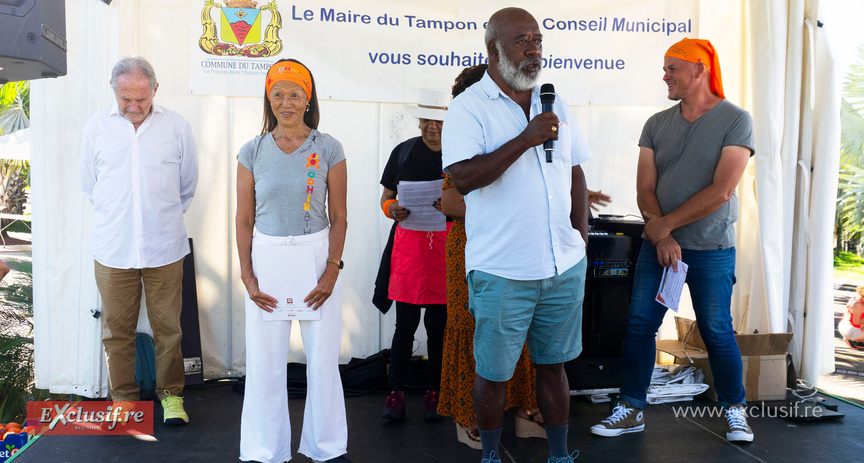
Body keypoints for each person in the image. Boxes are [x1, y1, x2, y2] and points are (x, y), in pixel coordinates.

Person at [442, 8, 592, 463]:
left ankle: (560, 455)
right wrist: (526, 139)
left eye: (538, 39)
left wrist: (579, 236)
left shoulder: (555, 102)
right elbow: (464, 177)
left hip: (562, 264)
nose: (534, 49)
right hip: (502, 268)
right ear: (493, 50)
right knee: (494, 374)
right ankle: (490, 455)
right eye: (522, 40)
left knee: (553, 368)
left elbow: (576, 169)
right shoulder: (468, 108)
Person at [590, 38, 755, 443]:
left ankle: (735, 410)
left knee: (716, 329)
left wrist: (664, 227)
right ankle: (631, 407)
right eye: (665, 69)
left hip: (712, 248)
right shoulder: (656, 123)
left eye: (672, 68)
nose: (665, 75)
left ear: (699, 70)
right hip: (658, 247)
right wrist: (660, 233)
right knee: (640, 325)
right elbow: (645, 187)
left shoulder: (736, 119)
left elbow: (722, 190)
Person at [236, 59, 350, 463]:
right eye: (278, 94)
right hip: (266, 260)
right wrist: (248, 276)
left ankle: (328, 447)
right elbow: (244, 218)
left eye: (295, 94)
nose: (287, 102)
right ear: (269, 98)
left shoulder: (329, 148)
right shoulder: (251, 151)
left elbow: (339, 216)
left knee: (322, 363)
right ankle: (265, 450)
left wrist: (332, 267)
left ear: (308, 99)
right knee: (266, 364)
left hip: (316, 258)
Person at [80, 57, 198, 425]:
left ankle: (172, 397)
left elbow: (187, 187)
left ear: (155, 91)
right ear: (113, 91)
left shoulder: (176, 127)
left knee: (169, 330)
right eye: (125, 99)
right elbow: (89, 184)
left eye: (141, 100)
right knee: (116, 331)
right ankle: (124, 399)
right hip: (113, 249)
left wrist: (155, 219)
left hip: (165, 247)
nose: (133, 107)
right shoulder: (96, 128)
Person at [439, 64, 545, 450]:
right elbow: (451, 200)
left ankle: (523, 410)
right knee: (473, 331)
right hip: (471, 247)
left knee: (522, 332)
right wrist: (506, 207)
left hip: (517, 247)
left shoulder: (523, 132)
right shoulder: (465, 137)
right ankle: (467, 417)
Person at [378, 89, 451, 422]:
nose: (432, 127)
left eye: (438, 120)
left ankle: (435, 394)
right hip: (409, 250)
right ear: (418, 120)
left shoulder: (459, 152)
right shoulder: (403, 151)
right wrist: (391, 209)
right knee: (404, 326)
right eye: (426, 120)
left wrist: (450, 208)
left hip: (445, 251)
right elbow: (386, 198)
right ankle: (396, 395)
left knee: (439, 328)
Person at [840, 285, 864, 349]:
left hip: (847, 326)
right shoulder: (857, 305)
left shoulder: (856, 299)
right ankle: (852, 339)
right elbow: (856, 322)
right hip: (850, 329)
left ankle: (858, 341)